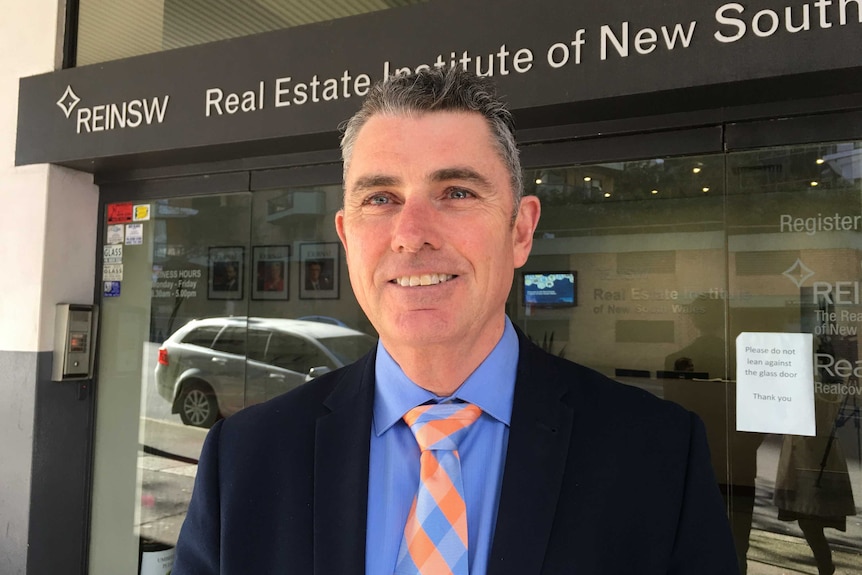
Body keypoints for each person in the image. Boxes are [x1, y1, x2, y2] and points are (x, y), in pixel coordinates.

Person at [173, 67, 738, 574]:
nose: (412, 232)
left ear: (520, 230)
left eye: (456, 191)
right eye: (381, 199)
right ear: (346, 237)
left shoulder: (656, 456)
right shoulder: (245, 460)